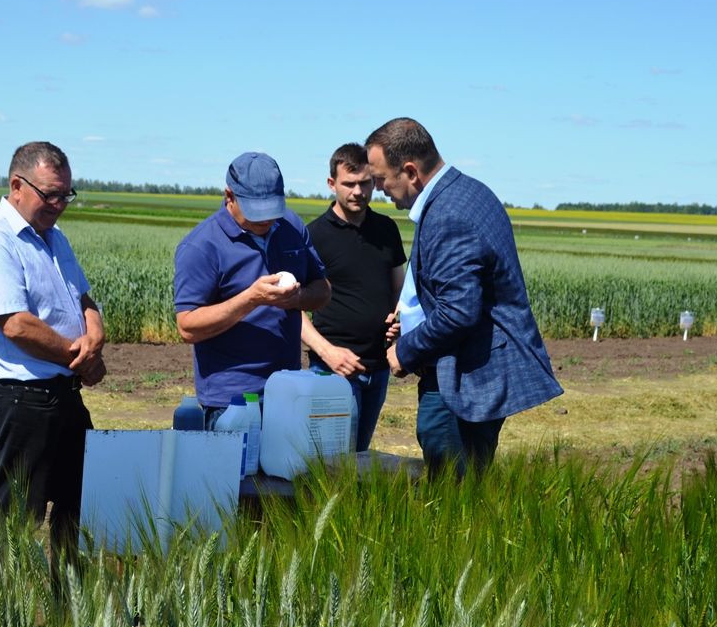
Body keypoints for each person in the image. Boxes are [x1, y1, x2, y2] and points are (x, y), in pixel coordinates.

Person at [365, 118, 563, 476]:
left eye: (381, 178)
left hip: (464, 384)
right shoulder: (467, 192)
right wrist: (410, 317)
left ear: (410, 171)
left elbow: (458, 312)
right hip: (469, 373)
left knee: (454, 495)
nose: (378, 189)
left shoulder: (448, 215)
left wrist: (404, 352)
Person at [0, 141, 106, 558]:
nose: (60, 204)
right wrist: (80, 359)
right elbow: (15, 326)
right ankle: (4, 611)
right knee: (16, 521)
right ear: (16, 185)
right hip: (21, 400)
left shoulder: (54, 238)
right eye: (50, 194)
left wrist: (94, 336)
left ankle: (69, 607)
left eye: (66, 194)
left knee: (79, 507)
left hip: (63, 394)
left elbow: (84, 298)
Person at [174, 152, 330, 427]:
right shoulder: (202, 245)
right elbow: (188, 326)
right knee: (235, 470)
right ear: (229, 197)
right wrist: (251, 299)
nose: (266, 221)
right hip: (230, 400)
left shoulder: (291, 226)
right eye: (256, 212)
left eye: (272, 210)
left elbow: (323, 290)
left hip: (288, 389)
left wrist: (297, 298)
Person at [302, 143, 407, 451]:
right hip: (333, 369)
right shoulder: (314, 236)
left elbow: (398, 287)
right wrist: (328, 352)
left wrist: (399, 317)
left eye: (365, 183)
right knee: (329, 460)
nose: (358, 191)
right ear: (331, 184)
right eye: (349, 184)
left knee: (359, 455)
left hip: (378, 367)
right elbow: (290, 308)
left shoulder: (386, 229)